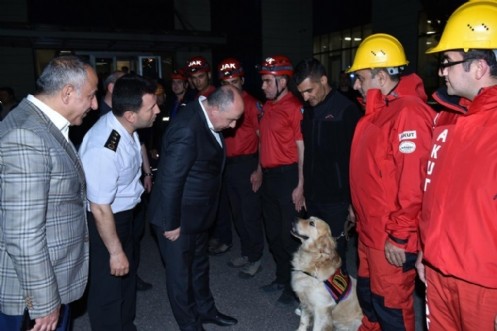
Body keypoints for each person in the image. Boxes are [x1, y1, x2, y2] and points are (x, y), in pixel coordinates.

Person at [0, 55, 97, 331]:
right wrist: (44, 302)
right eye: (90, 96)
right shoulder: (27, 135)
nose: (94, 104)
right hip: (32, 295)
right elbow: (23, 233)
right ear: (67, 93)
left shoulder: (40, 123)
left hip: (52, 279)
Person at [417, 1, 497, 330]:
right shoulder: (446, 119)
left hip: (484, 285)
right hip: (438, 272)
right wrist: (426, 250)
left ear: (478, 67)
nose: (441, 71)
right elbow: (434, 196)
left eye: (447, 62)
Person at [347, 33, 436, 331]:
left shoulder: (408, 112)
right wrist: (355, 207)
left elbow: (414, 181)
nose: (356, 85)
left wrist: (400, 235)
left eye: (360, 78)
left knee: (391, 308)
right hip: (370, 230)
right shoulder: (374, 114)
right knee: (370, 298)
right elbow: (374, 174)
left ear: (382, 76)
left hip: (390, 237)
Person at [147, 85, 243, 331]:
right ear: (215, 109)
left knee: (199, 267)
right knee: (179, 276)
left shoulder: (208, 119)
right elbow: (170, 179)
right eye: (232, 120)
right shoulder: (187, 128)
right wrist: (171, 223)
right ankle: (189, 324)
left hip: (198, 215)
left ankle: (206, 309)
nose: (233, 126)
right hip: (177, 217)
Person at [79, 74, 160, 331]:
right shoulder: (105, 147)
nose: (158, 110)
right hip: (104, 221)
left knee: (125, 280)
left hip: (124, 215)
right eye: (152, 107)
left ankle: (125, 325)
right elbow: (100, 207)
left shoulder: (126, 127)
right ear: (131, 115)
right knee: (108, 289)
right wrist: (114, 252)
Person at [293, 58, 361, 273]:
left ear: (323, 80)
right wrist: (302, 187)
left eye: (309, 90)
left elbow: (355, 160)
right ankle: (318, 301)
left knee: (334, 256)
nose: (305, 97)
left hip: (337, 200)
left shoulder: (346, 110)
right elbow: (308, 154)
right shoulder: (309, 109)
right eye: (301, 92)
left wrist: (353, 202)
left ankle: (339, 303)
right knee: (314, 252)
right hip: (314, 197)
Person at [208, 57, 265, 277]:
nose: (231, 85)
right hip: (229, 165)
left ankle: (256, 256)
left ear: (242, 79)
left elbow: (262, 139)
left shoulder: (250, 104)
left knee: (250, 214)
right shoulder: (222, 104)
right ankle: (246, 251)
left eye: (234, 80)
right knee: (238, 214)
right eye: (226, 82)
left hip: (247, 163)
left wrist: (259, 170)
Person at [257, 55, 305, 304]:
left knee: (289, 237)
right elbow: (263, 141)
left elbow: (301, 148)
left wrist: (301, 185)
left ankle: (296, 288)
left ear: (283, 82)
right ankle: (281, 277)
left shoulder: (294, 108)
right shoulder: (267, 107)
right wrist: (257, 169)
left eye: (267, 81)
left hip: (288, 176)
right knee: (274, 235)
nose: (263, 86)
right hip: (269, 178)